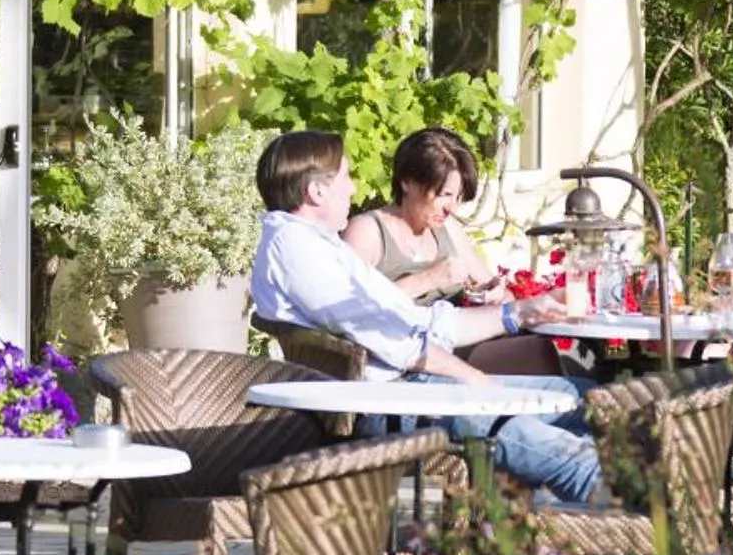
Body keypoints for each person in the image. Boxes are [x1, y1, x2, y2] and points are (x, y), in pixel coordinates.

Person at [248, 130, 606, 503]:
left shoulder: (317, 246)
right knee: (558, 452)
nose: (353, 190)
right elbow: (392, 341)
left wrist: (519, 311)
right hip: (385, 401)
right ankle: (623, 531)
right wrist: (474, 378)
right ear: (316, 192)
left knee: (583, 400)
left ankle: (538, 544)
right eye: (345, 177)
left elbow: (419, 322)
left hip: (410, 385)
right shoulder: (299, 252)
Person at [348, 128, 560, 376]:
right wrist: (427, 280)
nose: (452, 208)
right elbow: (348, 312)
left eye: (458, 197)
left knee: (538, 352)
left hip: (457, 351)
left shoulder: (447, 228)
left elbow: (504, 298)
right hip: (404, 365)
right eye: (444, 195)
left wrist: (496, 293)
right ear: (407, 182)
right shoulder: (368, 231)